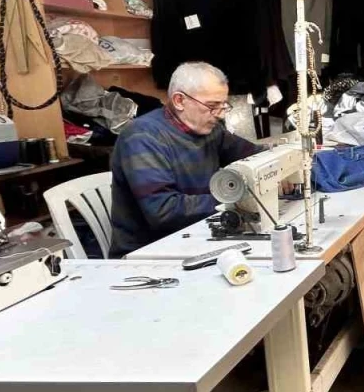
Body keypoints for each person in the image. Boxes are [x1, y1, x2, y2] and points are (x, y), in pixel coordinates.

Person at [109, 61, 257, 257]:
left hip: (194, 237)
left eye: (223, 106)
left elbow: (255, 154)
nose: (220, 115)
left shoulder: (210, 130)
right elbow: (164, 211)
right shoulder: (142, 137)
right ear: (179, 101)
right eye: (212, 106)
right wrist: (239, 197)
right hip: (148, 253)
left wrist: (283, 159)